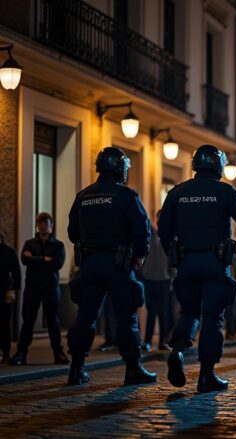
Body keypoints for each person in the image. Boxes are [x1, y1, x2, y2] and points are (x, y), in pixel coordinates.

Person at [159, 144, 236, 393]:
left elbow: (164, 230)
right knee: (213, 317)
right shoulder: (224, 191)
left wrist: (174, 253)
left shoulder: (177, 193)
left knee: (189, 311)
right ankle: (206, 374)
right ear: (218, 165)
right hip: (215, 262)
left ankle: (178, 350)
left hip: (187, 263)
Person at [66, 147, 155, 386]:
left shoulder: (83, 196)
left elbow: (72, 232)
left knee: (85, 318)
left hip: (90, 265)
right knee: (126, 319)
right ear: (120, 168)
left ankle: (76, 368)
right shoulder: (126, 195)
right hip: (118, 265)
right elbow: (142, 230)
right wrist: (139, 255)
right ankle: (133, 369)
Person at [9, 213, 68, 366]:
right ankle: (21, 353)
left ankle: (58, 353)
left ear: (51, 225)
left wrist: (34, 259)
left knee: (53, 321)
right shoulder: (29, 243)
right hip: (33, 287)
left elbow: (57, 263)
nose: (43, 226)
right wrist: (44, 259)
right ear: (37, 225)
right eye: (40, 223)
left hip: (51, 287)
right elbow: (24, 259)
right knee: (28, 320)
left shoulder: (58, 245)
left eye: (46, 223)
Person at [140, 209, 172, 352]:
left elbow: (173, 259)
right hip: (149, 279)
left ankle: (163, 341)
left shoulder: (170, 236)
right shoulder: (150, 233)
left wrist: (172, 276)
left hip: (164, 279)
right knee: (151, 311)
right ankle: (147, 341)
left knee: (163, 312)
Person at [0, 231, 21, 364]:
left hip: (4, 292)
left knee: (3, 324)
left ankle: (5, 352)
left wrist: (13, 290)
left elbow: (16, 272)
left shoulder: (9, 252)